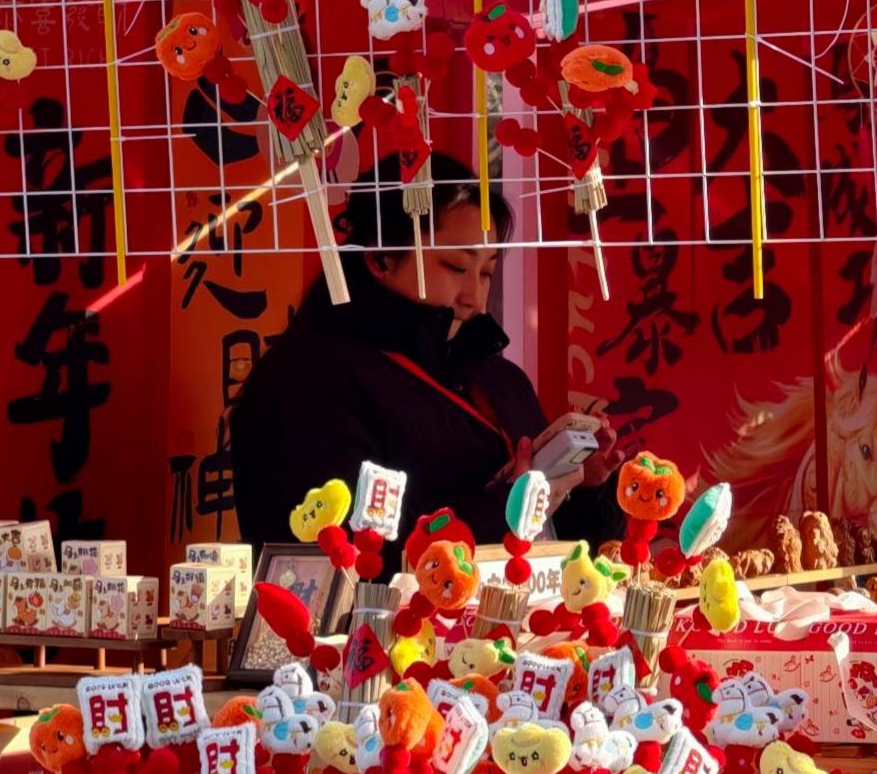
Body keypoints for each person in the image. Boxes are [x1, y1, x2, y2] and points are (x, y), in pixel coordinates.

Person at [232, 180, 624, 553]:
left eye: (487, 273)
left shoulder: (500, 378)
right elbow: (337, 553)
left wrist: (582, 486)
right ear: (381, 258)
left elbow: (560, 546)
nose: (475, 298)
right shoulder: (306, 380)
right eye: (456, 267)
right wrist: (504, 512)